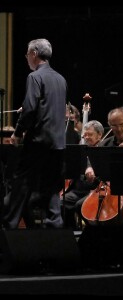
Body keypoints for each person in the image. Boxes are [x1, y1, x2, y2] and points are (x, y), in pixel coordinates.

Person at [2, 38, 67, 229]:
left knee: (21, 184)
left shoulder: (34, 77)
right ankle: (55, 227)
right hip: (57, 143)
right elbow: (51, 108)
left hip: (38, 141)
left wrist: (18, 132)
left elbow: (30, 108)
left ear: (34, 54)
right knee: (52, 187)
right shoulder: (61, 78)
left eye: (27, 55)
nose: (27, 58)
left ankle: (9, 228)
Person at [62, 120, 104, 230]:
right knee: (60, 202)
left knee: (79, 205)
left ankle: (91, 231)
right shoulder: (80, 149)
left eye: (90, 134)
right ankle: (71, 231)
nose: (86, 137)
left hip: (94, 191)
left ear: (99, 135)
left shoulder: (103, 149)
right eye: (84, 134)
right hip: (78, 189)